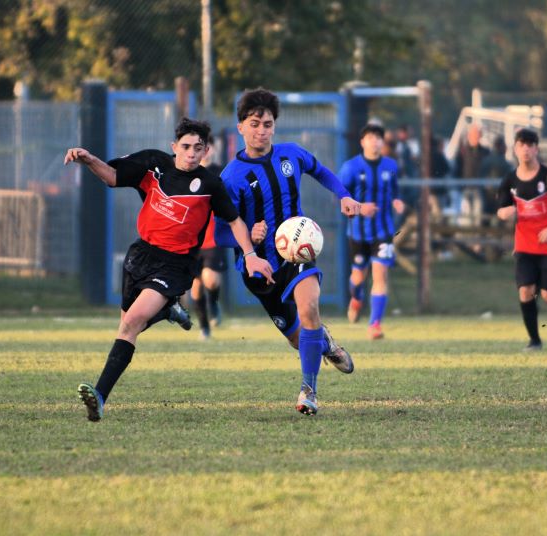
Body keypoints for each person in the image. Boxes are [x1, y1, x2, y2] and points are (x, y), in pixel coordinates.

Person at [64, 117, 274, 421]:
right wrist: (88, 159)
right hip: (141, 255)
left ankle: (99, 396)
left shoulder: (210, 185)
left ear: (205, 151)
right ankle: (166, 311)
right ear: (174, 147)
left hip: (176, 264)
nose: (191, 153)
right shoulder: (153, 164)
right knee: (128, 326)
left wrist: (251, 254)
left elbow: (234, 221)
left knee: (131, 322)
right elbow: (112, 176)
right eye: (186, 147)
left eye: (198, 148)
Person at [215, 88, 364, 416]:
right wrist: (247, 238)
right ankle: (325, 344)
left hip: (298, 252)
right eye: (254, 124)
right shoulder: (230, 177)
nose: (262, 131)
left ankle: (309, 391)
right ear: (240, 127)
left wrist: (343, 194)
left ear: (274, 126)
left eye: (268, 124)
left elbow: (320, 170)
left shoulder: (291, 155)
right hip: (259, 269)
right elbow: (218, 231)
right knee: (299, 339)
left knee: (309, 308)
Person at [496, 129, 547, 352]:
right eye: (521, 145)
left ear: (536, 148)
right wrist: (504, 213)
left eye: (530, 145)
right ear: (515, 149)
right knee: (525, 291)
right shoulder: (509, 179)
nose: (525, 149)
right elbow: (502, 209)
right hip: (524, 245)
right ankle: (534, 340)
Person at [339, 124, 405, 340]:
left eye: (378, 138)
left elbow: (395, 190)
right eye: (370, 137)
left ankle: (375, 324)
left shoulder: (391, 165)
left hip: (383, 232)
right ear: (362, 142)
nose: (374, 141)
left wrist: (397, 201)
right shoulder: (350, 167)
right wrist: (360, 208)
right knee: (358, 277)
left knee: (380, 275)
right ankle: (356, 298)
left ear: (382, 142)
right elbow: (341, 199)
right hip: (358, 233)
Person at [189, 140, 228, 339]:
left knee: (210, 280)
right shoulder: (187, 173)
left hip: (213, 237)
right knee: (195, 288)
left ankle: (213, 302)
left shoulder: (221, 172)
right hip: (192, 240)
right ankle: (204, 328)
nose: (203, 152)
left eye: (206, 147)